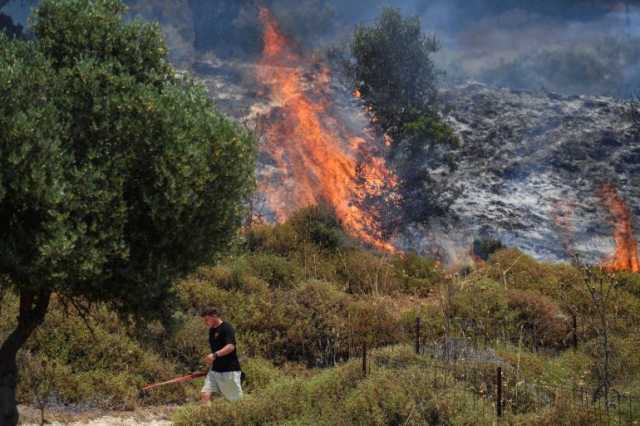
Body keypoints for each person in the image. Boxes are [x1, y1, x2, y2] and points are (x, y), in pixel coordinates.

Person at [199, 307, 243, 403]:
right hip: (214, 371)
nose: (205, 322)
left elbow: (231, 347)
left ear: (214, 316)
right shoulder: (211, 331)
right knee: (205, 393)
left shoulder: (227, 327)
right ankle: (205, 417)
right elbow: (214, 349)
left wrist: (215, 355)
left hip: (229, 371)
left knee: (236, 402)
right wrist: (209, 367)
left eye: (207, 319)